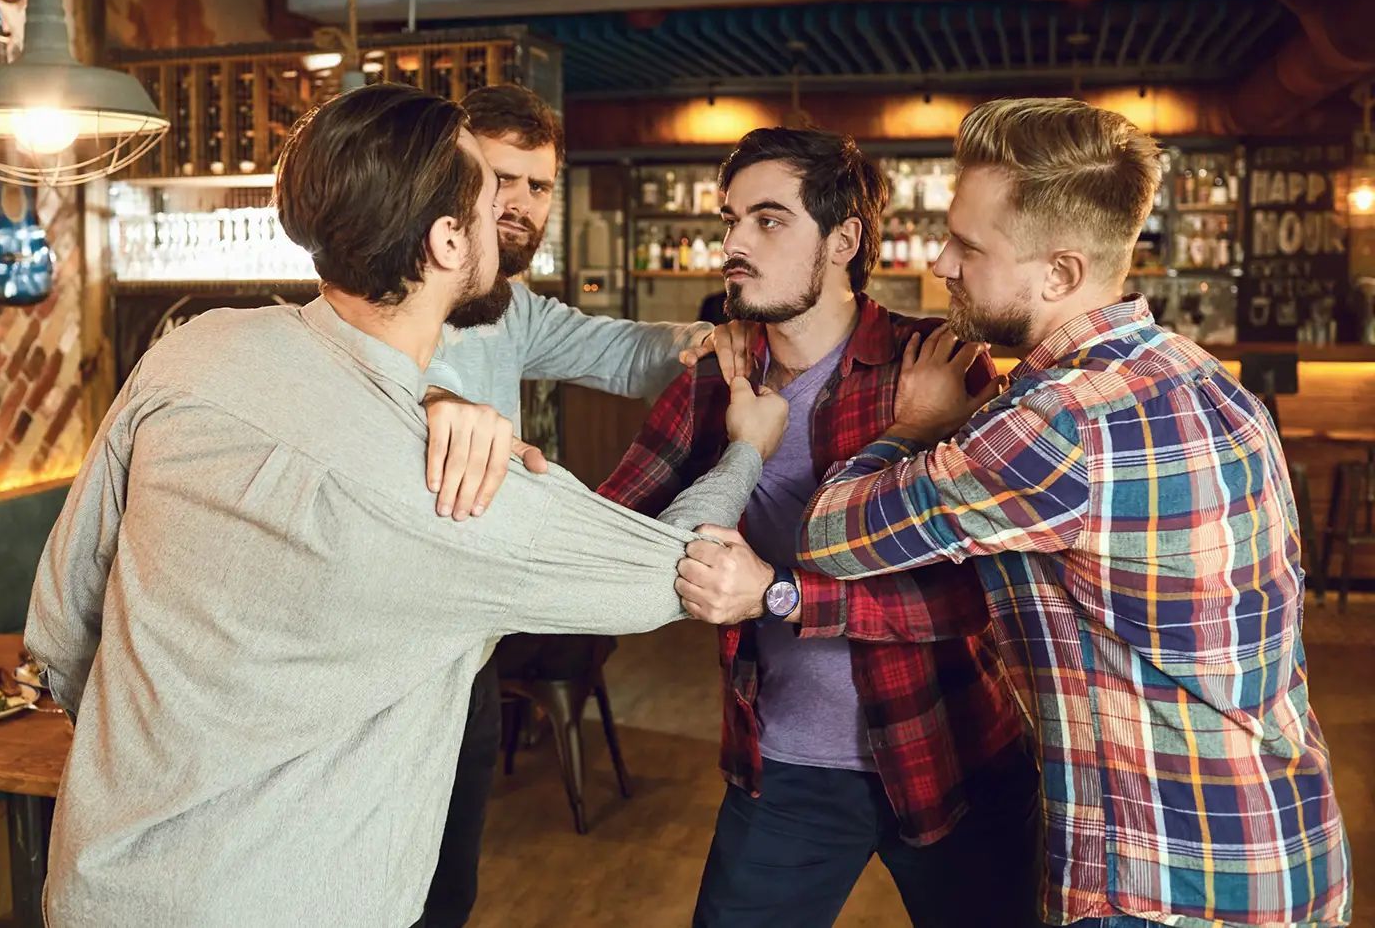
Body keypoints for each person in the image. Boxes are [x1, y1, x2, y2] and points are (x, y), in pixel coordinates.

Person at [24, 83, 788, 928]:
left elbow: (63, 627)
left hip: (97, 891)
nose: (511, 206)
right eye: (486, 189)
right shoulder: (459, 492)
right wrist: (748, 444)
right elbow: (687, 569)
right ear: (449, 238)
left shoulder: (188, 352)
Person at [678, 99, 1353, 927]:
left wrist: (914, 428)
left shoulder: (1053, 424)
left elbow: (831, 528)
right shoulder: (1208, 378)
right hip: (1283, 844)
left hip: (1163, 877)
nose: (940, 261)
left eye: (968, 245)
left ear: (1059, 273)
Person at [600, 127, 1038, 928]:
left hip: (952, 754)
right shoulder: (718, 375)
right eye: (730, 220)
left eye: (768, 220)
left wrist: (779, 595)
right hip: (787, 769)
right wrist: (502, 460)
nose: (733, 242)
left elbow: (977, 595)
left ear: (844, 240)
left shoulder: (937, 367)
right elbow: (613, 522)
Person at [414, 83, 730, 927]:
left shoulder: (508, 305)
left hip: (468, 647)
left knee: (448, 888)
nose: (518, 204)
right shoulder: (388, 281)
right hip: (389, 647)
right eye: (499, 179)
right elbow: (359, 369)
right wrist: (435, 399)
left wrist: (711, 343)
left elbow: (621, 352)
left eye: (538, 185)